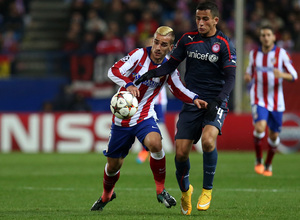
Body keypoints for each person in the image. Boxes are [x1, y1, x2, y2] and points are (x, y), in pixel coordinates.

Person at [90, 26, 207, 211]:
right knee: (113, 166)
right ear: (153, 41)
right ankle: (107, 195)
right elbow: (113, 71)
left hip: (144, 115)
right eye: (156, 42)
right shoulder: (138, 55)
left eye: (164, 44)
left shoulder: (168, 67)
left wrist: (194, 98)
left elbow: (178, 88)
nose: (158, 47)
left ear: (170, 47)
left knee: (155, 143)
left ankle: (160, 191)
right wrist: (128, 84)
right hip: (122, 118)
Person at [135, 1, 236, 215]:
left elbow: (230, 78)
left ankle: (207, 191)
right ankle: (185, 191)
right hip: (192, 101)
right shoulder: (187, 40)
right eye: (198, 18)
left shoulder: (225, 44)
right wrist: (153, 73)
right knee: (180, 154)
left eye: (205, 19)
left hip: (215, 101)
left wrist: (219, 101)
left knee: (208, 141)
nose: (200, 22)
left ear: (215, 20)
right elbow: (171, 65)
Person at [244, 25, 298, 177]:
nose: (266, 37)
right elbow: (249, 72)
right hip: (258, 98)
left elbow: (294, 75)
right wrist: (247, 77)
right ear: (260, 38)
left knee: (274, 136)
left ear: (274, 37)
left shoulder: (282, 54)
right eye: (263, 35)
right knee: (260, 127)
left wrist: (282, 74)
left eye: (268, 35)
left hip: (276, 101)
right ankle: (258, 160)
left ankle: (268, 164)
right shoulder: (254, 54)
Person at [136, 86, 168, 163]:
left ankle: (153, 153)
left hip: (159, 100)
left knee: (157, 126)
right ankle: (144, 151)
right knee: (143, 125)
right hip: (146, 101)